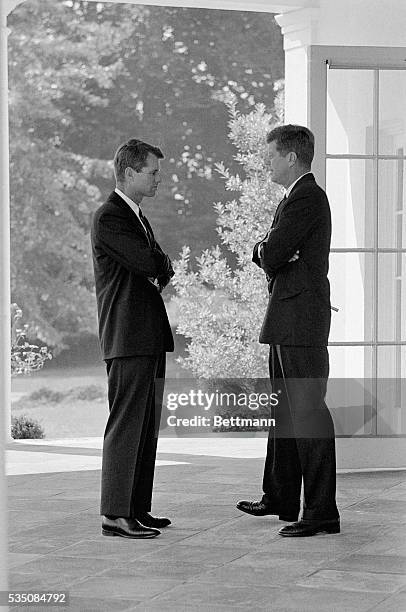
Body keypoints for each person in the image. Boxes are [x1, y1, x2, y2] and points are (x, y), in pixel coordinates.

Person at [237, 125, 340, 537]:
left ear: (292, 157)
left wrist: (270, 249)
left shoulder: (307, 198)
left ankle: (320, 513)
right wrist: (270, 249)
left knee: (308, 414)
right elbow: (270, 251)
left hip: (301, 322)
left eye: (272, 155)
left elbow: (272, 251)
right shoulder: (294, 198)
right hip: (288, 319)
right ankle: (280, 497)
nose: (267, 161)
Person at [91, 138, 174, 539]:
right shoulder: (110, 217)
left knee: (146, 426)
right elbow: (149, 261)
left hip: (147, 336)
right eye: (152, 172)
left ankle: (137, 508)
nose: (159, 178)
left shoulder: (136, 216)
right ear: (129, 172)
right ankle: (115, 513)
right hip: (127, 337)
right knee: (127, 424)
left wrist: (159, 264)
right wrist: (159, 263)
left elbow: (161, 266)